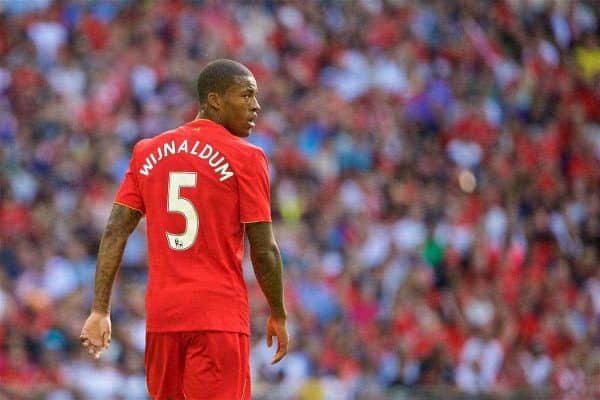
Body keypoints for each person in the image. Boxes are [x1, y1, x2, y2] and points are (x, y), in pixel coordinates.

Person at [79, 59, 288, 399]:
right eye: (246, 95)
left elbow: (116, 229)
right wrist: (277, 312)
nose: (256, 106)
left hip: (163, 320)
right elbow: (264, 249)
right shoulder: (247, 158)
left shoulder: (147, 152)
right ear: (215, 100)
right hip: (217, 316)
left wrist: (100, 309)